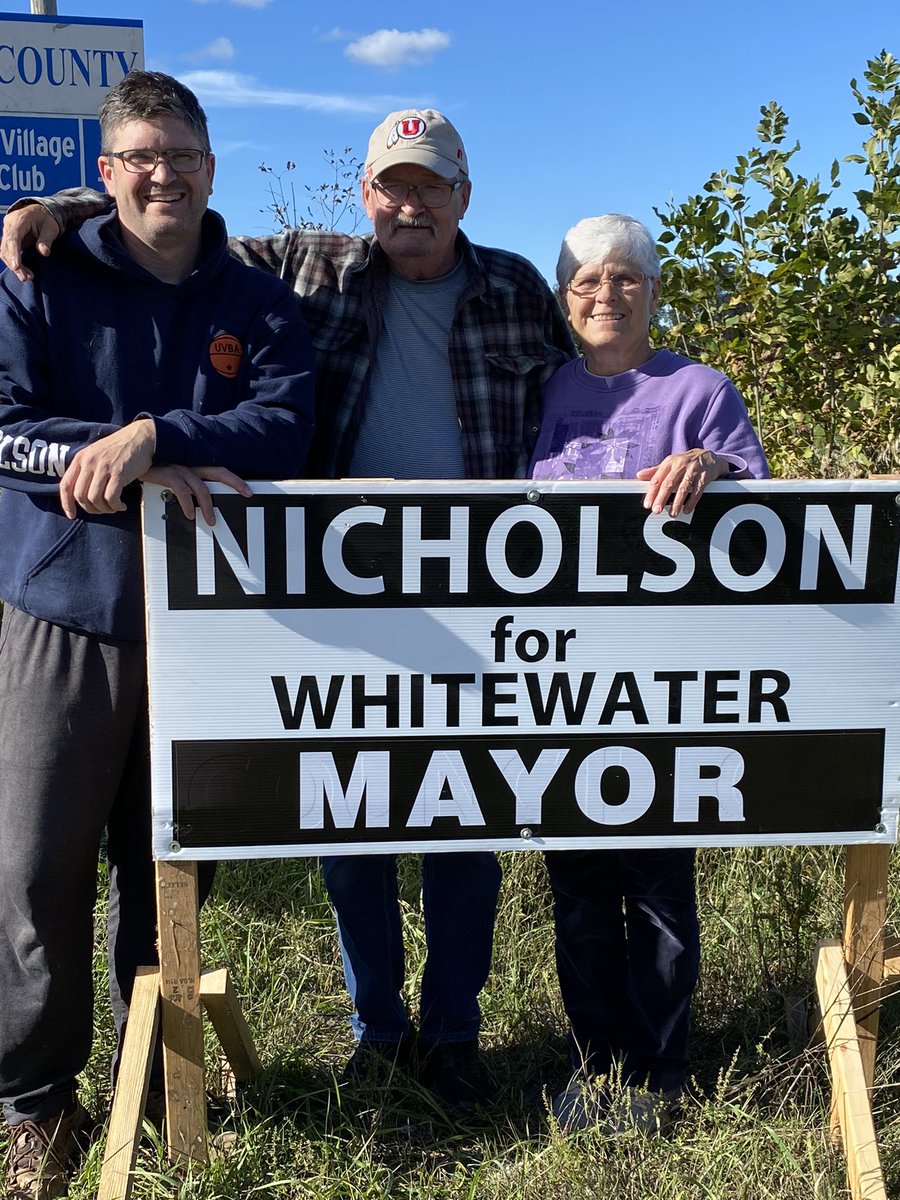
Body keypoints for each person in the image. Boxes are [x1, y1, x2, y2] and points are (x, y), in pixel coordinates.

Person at [3, 108, 576, 1109]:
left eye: (431, 185)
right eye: (393, 185)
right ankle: (372, 1035)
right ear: (365, 196)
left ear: (463, 195)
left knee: (464, 829)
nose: (411, 204)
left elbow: (583, 411)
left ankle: (451, 1038)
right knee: (347, 820)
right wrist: (55, 207)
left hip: (478, 601)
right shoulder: (308, 266)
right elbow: (164, 214)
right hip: (332, 597)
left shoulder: (519, 289)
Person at [0, 71, 315, 1199]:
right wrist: (126, 457)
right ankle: (36, 1100)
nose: (161, 172)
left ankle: (155, 1078)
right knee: (35, 868)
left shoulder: (259, 297)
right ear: (106, 172)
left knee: (170, 872)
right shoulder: (43, 272)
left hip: (211, 632)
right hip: (66, 612)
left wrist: (155, 433)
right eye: (138, 155)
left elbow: (286, 423)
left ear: (210, 167)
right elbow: (6, 426)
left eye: (180, 152)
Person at [530, 214, 769, 1135]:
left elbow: (767, 509)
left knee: (660, 884)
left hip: (667, 678)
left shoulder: (699, 390)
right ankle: (598, 1066)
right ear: (564, 297)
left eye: (626, 277)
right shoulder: (544, 388)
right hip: (554, 680)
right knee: (580, 886)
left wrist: (710, 464)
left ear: (654, 290)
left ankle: (664, 1073)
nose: (606, 294)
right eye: (586, 280)